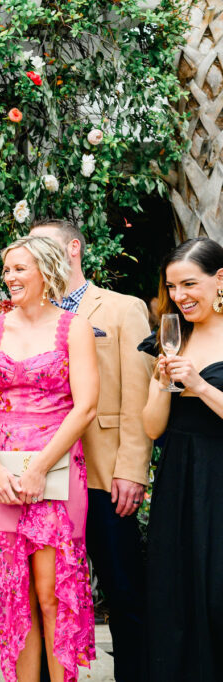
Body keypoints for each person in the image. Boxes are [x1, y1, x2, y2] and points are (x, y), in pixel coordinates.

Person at [0, 235, 98, 682]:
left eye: (19, 269)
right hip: (2, 476)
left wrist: (41, 467)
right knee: (14, 596)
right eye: (6, 270)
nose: (10, 278)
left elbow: (86, 407)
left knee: (50, 595)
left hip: (57, 474)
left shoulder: (73, 328)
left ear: (45, 271)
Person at [30, 219, 152, 682]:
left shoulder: (123, 309)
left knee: (123, 590)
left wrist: (132, 470)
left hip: (104, 474)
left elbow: (138, 396)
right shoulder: (31, 314)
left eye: (45, 247)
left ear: (73, 248)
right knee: (47, 592)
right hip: (46, 476)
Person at [140, 237, 223, 679]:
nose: (180, 297)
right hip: (178, 479)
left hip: (219, 478)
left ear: (220, 279)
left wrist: (202, 387)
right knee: (177, 592)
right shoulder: (173, 337)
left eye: (189, 283)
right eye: (172, 287)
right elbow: (153, 429)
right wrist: (160, 386)